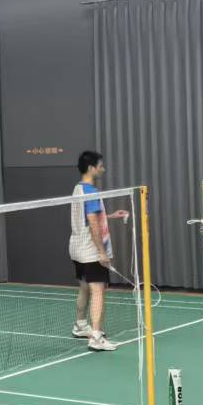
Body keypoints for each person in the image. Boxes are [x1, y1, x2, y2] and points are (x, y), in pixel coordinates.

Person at [69, 151, 130, 353]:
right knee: (98, 291)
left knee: (84, 288)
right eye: (100, 166)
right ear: (91, 168)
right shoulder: (91, 191)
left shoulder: (78, 189)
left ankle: (80, 326)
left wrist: (109, 215)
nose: (103, 169)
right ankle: (96, 337)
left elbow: (89, 218)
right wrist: (102, 252)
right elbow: (93, 223)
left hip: (76, 247)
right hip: (90, 250)